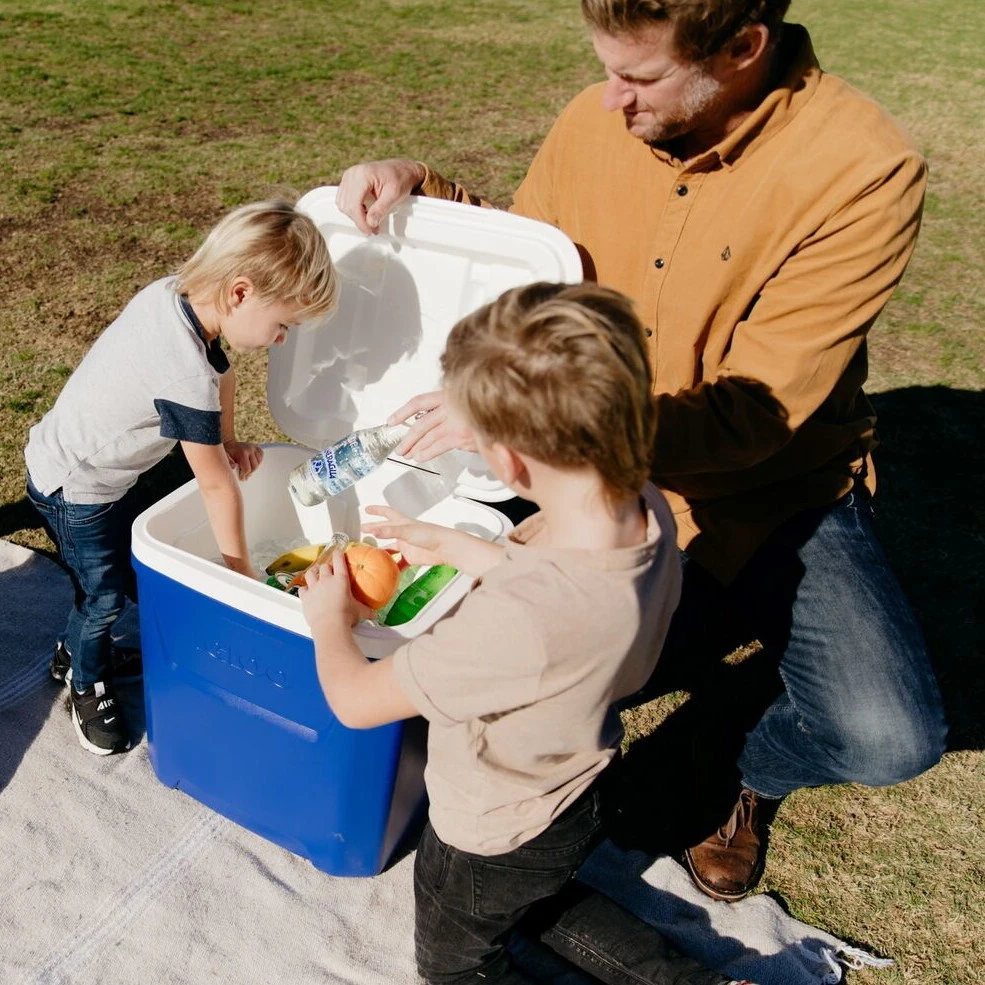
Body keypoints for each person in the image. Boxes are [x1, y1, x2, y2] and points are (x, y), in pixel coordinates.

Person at [332, 0, 948, 902]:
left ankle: (742, 759)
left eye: (641, 77)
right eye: (605, 68)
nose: (609, 99)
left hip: (779, 496)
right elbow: (533, 267)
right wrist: (419, 189)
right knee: (502, 684)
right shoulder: (597, 117)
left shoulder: (863, 170)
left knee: (886, 739)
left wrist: (534, 426)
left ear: (743, 47)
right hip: (602, 503)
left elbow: (752, 420)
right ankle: (703, 647)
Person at [299, 282, 752, 985]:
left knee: (457, 958)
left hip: (490, 823)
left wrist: (329, 621)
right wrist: (458, 547)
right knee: (531, 904)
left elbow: (356, 702)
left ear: (506, 463)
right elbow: (554, 577)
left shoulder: (520, 621)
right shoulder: (645, 507)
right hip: (570, 786)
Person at [25, 198, 338, 756]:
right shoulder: (182, 368)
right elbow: (217, 485)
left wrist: (233, 437)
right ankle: (82, 679)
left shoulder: (176, 296)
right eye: (283, 324)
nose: (282, 339)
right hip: (73, 487)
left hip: (87, 470)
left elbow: (223, 376)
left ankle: (76, 650)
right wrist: (238, 571)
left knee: (109, 585)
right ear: (241, 292)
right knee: (102, 597)